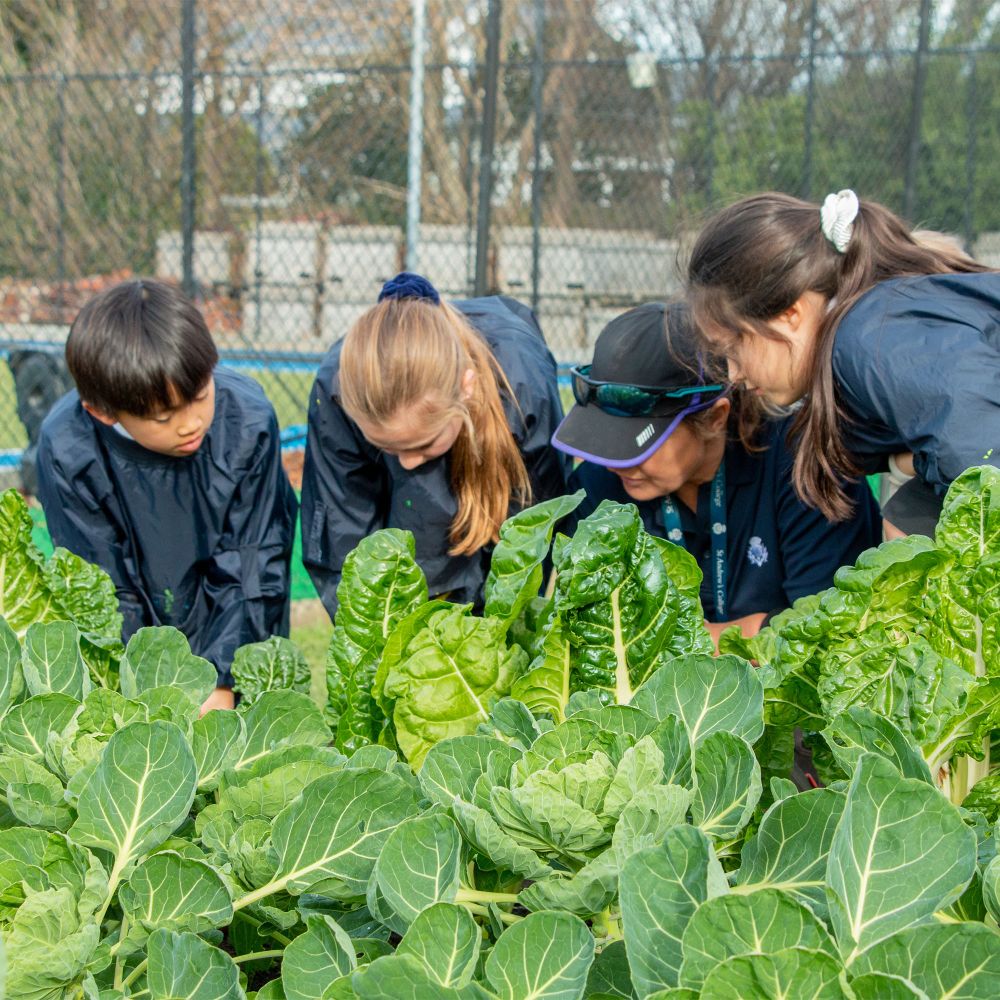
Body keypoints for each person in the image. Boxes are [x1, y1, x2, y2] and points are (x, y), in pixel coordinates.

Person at [36, 279, 297, 712]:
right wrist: (153, 691)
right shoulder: (68, 448)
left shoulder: (249, 421)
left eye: (200, 397)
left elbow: (254, 562)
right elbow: (103, 589)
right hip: (136, 651)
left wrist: (222, 677)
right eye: (162, 417)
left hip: (238, 637)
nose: (190, 424)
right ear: (102, 413)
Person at [552, 302, 880, 644]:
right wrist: (755, 630)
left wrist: (695, 641)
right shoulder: (597, 486)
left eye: (637, 446)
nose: (613, 463)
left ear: (715, 417)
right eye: (607, 440)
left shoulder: (804, 466)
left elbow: (829, 626)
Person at [686, 189, 1000, 535]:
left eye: (734, 346)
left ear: (790, 315)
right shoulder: (862, 337)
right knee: (906, 527)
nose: (735, 374)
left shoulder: (869, 341)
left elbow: (986, 459)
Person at [301, 272, 569, 617]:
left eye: (422, 445)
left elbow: (529, 547)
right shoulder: (339, 387)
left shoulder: (523, 390)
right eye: (388, 448)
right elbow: (343, 540)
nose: (408, 462)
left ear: (467, 388)